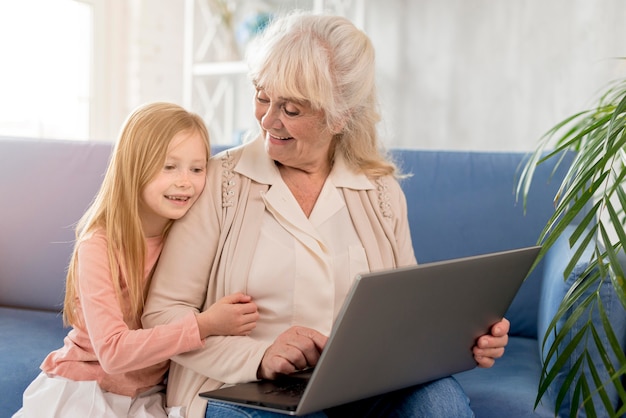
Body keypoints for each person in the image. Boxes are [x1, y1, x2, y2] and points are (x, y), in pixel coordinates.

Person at [142, 12, 510, 418]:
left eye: (292, 109)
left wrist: (466, 340)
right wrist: (260, 356)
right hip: (238, 385)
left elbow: (408, 317)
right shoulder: (216, 182)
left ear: (341, 116)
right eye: (262, 96)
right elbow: (163, 313)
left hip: (360, 385)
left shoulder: (381, 190)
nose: (267, 119)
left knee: (441, 404)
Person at [13, 102, 259, 418]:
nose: (185, 181)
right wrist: (205, 324)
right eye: (169, 167)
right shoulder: (99, 245)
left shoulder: (187, 236)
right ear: (134, 167)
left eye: (196, 169)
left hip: (147, 394)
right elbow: (113, 352)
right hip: (87, 389)